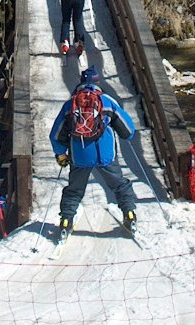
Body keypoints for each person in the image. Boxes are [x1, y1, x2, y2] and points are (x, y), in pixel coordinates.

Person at [49, 65, 138, 235]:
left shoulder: (70, 105)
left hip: (79, 155)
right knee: (119, 185)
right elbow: (128, 131)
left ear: (81, 83)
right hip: (105, 155)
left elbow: (56, 134)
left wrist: (60, 154)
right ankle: (130, 214)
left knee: (74, 190)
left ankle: (66, 221)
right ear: (98, 82)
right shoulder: (107, 102)